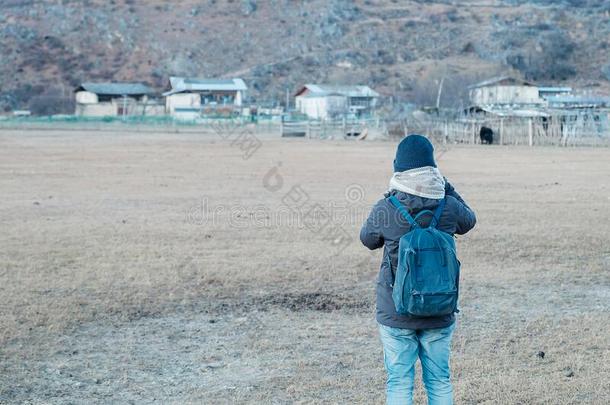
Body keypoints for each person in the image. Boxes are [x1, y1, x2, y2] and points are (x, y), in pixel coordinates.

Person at [360, 134, 476, 405]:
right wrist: (447, 187)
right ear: (432, 167)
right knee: (439, 381)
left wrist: (389, 198)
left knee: (399, 381)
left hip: (395, 311)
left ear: (398, 168)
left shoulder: (387, 207)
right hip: (440, 308)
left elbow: (367, 240)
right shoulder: (448, 206)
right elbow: (469, 220)